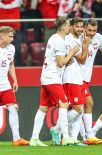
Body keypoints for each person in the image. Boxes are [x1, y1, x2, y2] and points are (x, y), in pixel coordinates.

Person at [29, 17, 79, 146]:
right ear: (62, 27)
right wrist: (72, 53)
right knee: (64, 104)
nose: (70, 27)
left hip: (47, 76)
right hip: (52, 77)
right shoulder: (59, 41)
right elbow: (61, 62)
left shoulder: (54, 38)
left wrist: (67, 59)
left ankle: (34, 139)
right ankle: (66, 136)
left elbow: (61, 61)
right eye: (68, 25)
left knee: (43, 108)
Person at [50, 17, 90, 146]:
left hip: (78, 77)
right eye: (76, 26)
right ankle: (57, 129)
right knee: (78, 109)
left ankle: (73, 138)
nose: (79, 29)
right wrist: (86, 46)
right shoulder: (69, 39)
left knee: (79, 109)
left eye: (81, 26)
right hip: (70, 78)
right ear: (71, 27)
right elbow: (82, 59)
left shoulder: (77, 39)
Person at [80, 19, 102, 145]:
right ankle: (89, 135)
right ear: (84, 28)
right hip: (76, 76)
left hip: (86, 77)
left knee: (76, 108)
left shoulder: (98, 37)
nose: (92, 33)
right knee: (89, 103)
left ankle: (58, 130)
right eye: (89, 30)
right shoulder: (79, 38)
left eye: (94, 30)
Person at [0, 26, 29, 146]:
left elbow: (11, 64)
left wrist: (15, 80)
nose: (12, 39)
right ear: (2, 36)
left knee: (13, 108)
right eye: (10, 36)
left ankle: (16, 139)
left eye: (12, 36)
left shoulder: (11, 48)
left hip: (5, 85)